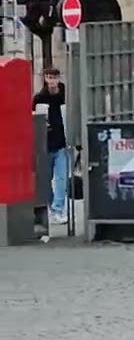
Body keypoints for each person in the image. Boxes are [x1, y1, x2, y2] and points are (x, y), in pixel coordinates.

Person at [32, 67, 70, 225]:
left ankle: (57, 209)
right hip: (45, 144)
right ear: (45, 79)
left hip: (62, 143)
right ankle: (52, 208)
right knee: (46, 180)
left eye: (54, 77)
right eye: (48, 77)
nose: (51, 80)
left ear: (58, 78)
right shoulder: (39, 98)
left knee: (62, 179)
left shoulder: (65, 96)